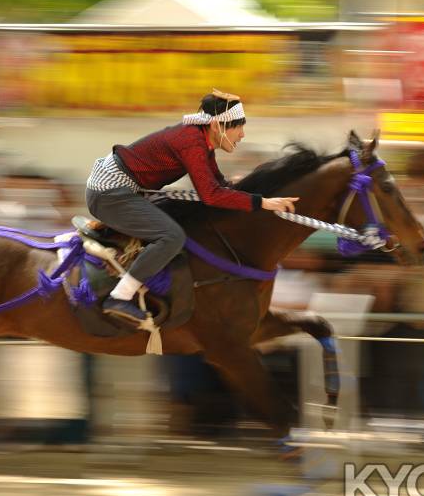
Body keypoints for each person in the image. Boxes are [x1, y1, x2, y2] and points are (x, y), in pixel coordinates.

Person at [85, 90, 298, 326]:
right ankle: (119, 297)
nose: (243, 134)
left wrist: (247, 190)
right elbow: (211, 195)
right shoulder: (192, 142)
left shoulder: (201, 140)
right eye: (238, 127)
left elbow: (218, 184)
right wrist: (262, 202)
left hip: (122, 191)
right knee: (171, 236)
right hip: (110, 194)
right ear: (218, 125)